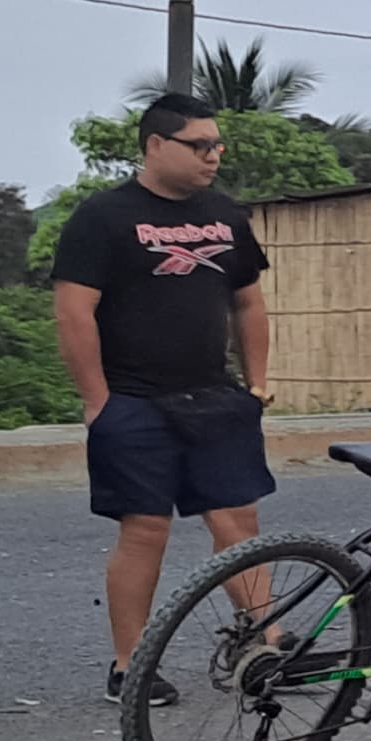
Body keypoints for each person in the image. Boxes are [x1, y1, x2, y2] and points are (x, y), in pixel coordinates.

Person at [53, 93, 276, 704]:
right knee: (145, 529)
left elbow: (248, 300)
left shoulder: (226, 215)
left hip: (214, 397)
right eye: (199, 145)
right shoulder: (103, 217)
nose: (213, 156)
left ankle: (266, 646)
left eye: (217, 145)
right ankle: (132, 666)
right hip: (134, 401)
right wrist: (98, 400)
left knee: (239, 523)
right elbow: (75, 313)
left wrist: (256, 384)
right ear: (156, 145)